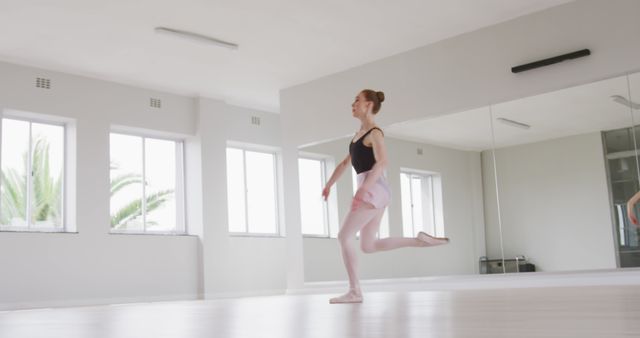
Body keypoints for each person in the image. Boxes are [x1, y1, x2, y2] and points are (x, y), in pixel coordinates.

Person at [322, 89, 450, 304]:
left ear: (369, 105)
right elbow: (345, 163)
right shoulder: (357, 136)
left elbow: (382, 162)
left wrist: (363, 190)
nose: (352, 104)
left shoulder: (375, 133)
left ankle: (355, 291)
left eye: (357, 100)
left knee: (343, 236)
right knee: (368, 245)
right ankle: (419, 241)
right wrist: (328, 184)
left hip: (373, 188)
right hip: (375, 190)